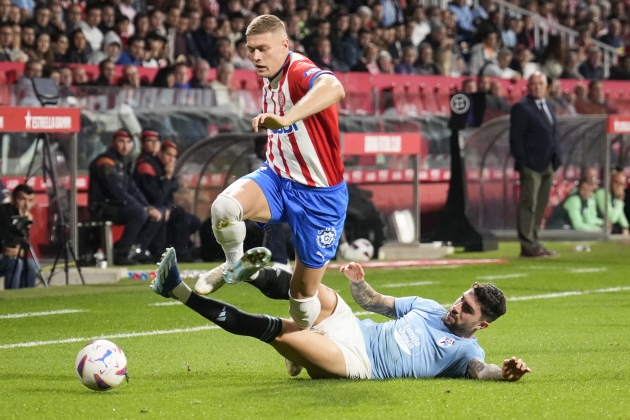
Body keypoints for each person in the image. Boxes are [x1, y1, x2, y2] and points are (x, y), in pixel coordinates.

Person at [152, 249, 531, 381]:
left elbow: (485, 373)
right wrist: (358, 283)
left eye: (466, 309)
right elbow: (374, 303)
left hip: (358, 362)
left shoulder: (468, 353)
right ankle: (247, 270)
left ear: (480, 324)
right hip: (354, 328)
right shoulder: (429, 307)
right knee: (314, 291)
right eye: (460, 298)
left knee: (277, 333)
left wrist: (506, 374)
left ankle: (178, 291)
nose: (455, 307)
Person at [193, 14, 347, 330]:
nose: (256, 57)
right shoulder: (269, 74)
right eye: (251, 50)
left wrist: (287, 117)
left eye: (263, 49)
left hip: (320, 196)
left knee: (302, 296)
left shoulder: (299, 70)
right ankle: (234, 264)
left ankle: (302, 341)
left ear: (284, 45)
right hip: (277, 178)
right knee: (224, 208)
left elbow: (334, 86)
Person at [88, 130, 164, 265]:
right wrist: (142, 207)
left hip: (116, 205)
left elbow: (133, 189)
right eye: (121, 142)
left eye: (128, 142)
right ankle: (121, 253)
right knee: (139, 213)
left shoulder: (121, 163)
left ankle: (137, 251)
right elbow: (115, 190)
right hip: (102, 207)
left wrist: (149, 207)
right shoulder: (105, 161)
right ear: (113, 143)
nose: (125, 146)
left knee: (156, 214)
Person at [509, 72, 562, 257]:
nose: (536, 87)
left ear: (546, 86)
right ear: (527, 86)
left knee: (540, 205)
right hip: (531, 164)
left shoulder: (548, 105)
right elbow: (515, 138)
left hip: (548, 163)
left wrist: (557, 157)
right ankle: (527, 244)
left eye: (540, 83)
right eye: (533, 84)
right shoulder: (521, 108)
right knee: (528, 203)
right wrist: (523, 162)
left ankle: (535, 241)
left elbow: (552, 133)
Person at [0, 184, 38, 289]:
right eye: (22, 199)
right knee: (15, 263)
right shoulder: (3, 213)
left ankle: (26, 299)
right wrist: (4, 250)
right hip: (3, 258)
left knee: (30, 264)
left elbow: (23, 246)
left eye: (30, 201)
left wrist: (21, 252)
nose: (26, 205)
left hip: (10, 258)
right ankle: (11, 299)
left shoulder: (24, 218)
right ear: (13, 200)